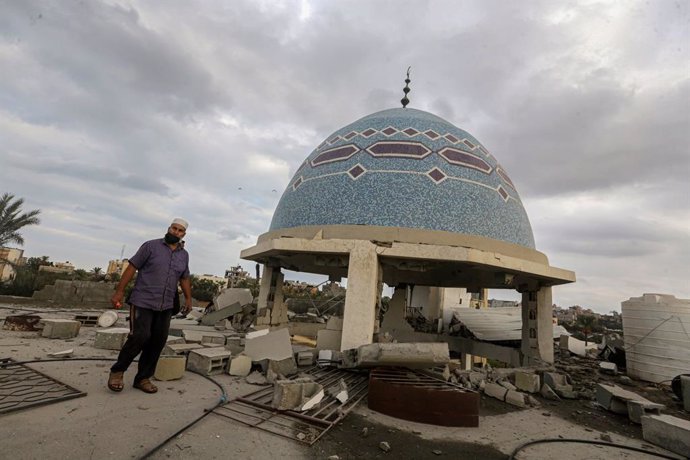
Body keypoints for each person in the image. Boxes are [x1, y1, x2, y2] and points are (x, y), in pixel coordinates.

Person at [107, 218, 193, 393]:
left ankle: (143, 378)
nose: (175, 232)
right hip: (143, 300)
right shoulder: (150, 246)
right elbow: (131, 267)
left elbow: (184, 278)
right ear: (168, 229)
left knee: (157, 341)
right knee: (140, 336)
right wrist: (119, 291)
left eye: (179, 231)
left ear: (184, 234)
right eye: (173, 228)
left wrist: (189, 299)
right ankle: (117, 371)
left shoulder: (184, 255)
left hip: (166, 304)